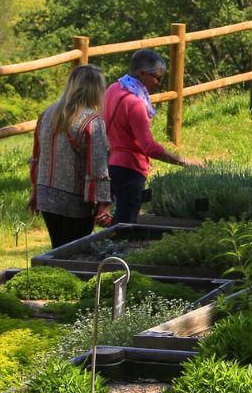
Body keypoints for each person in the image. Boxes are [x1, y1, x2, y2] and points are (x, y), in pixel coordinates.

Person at [104, 48, 200, 224]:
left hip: (112, 164)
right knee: (127, 225)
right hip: (130, 168)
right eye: (157, 77)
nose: (159, 82)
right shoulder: (135, 104)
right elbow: (149, 147)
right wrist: (184, 162)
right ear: (142, 74)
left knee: (117, 222)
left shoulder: (113, 88)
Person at [29, 64, 113, 249]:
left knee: (57, 248)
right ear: (96, 89)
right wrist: (105, 204)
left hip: (45, 195)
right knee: (73, 254)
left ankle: (52, 277)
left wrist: (34, 192)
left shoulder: (47, 113)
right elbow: (99, 167)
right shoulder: (92, 121)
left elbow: (37, 157)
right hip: (75, 201)